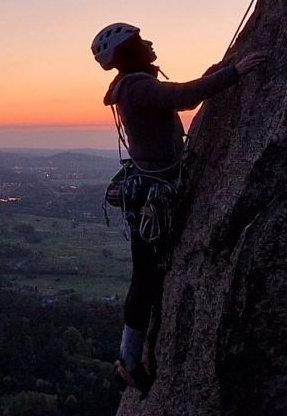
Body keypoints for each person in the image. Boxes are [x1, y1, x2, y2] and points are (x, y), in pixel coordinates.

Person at [91, 22, 266, 394]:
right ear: (127, 53)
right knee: (145, 278)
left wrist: (218, 71)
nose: (149, 44)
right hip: (155, 190)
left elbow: (176, 94)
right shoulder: (137, 86)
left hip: (151, 186)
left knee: (148, 277)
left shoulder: (135, 85)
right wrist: (233, 72)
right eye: (139, 42)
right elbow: (184, 98)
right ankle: (129, 361)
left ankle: (130, 357)